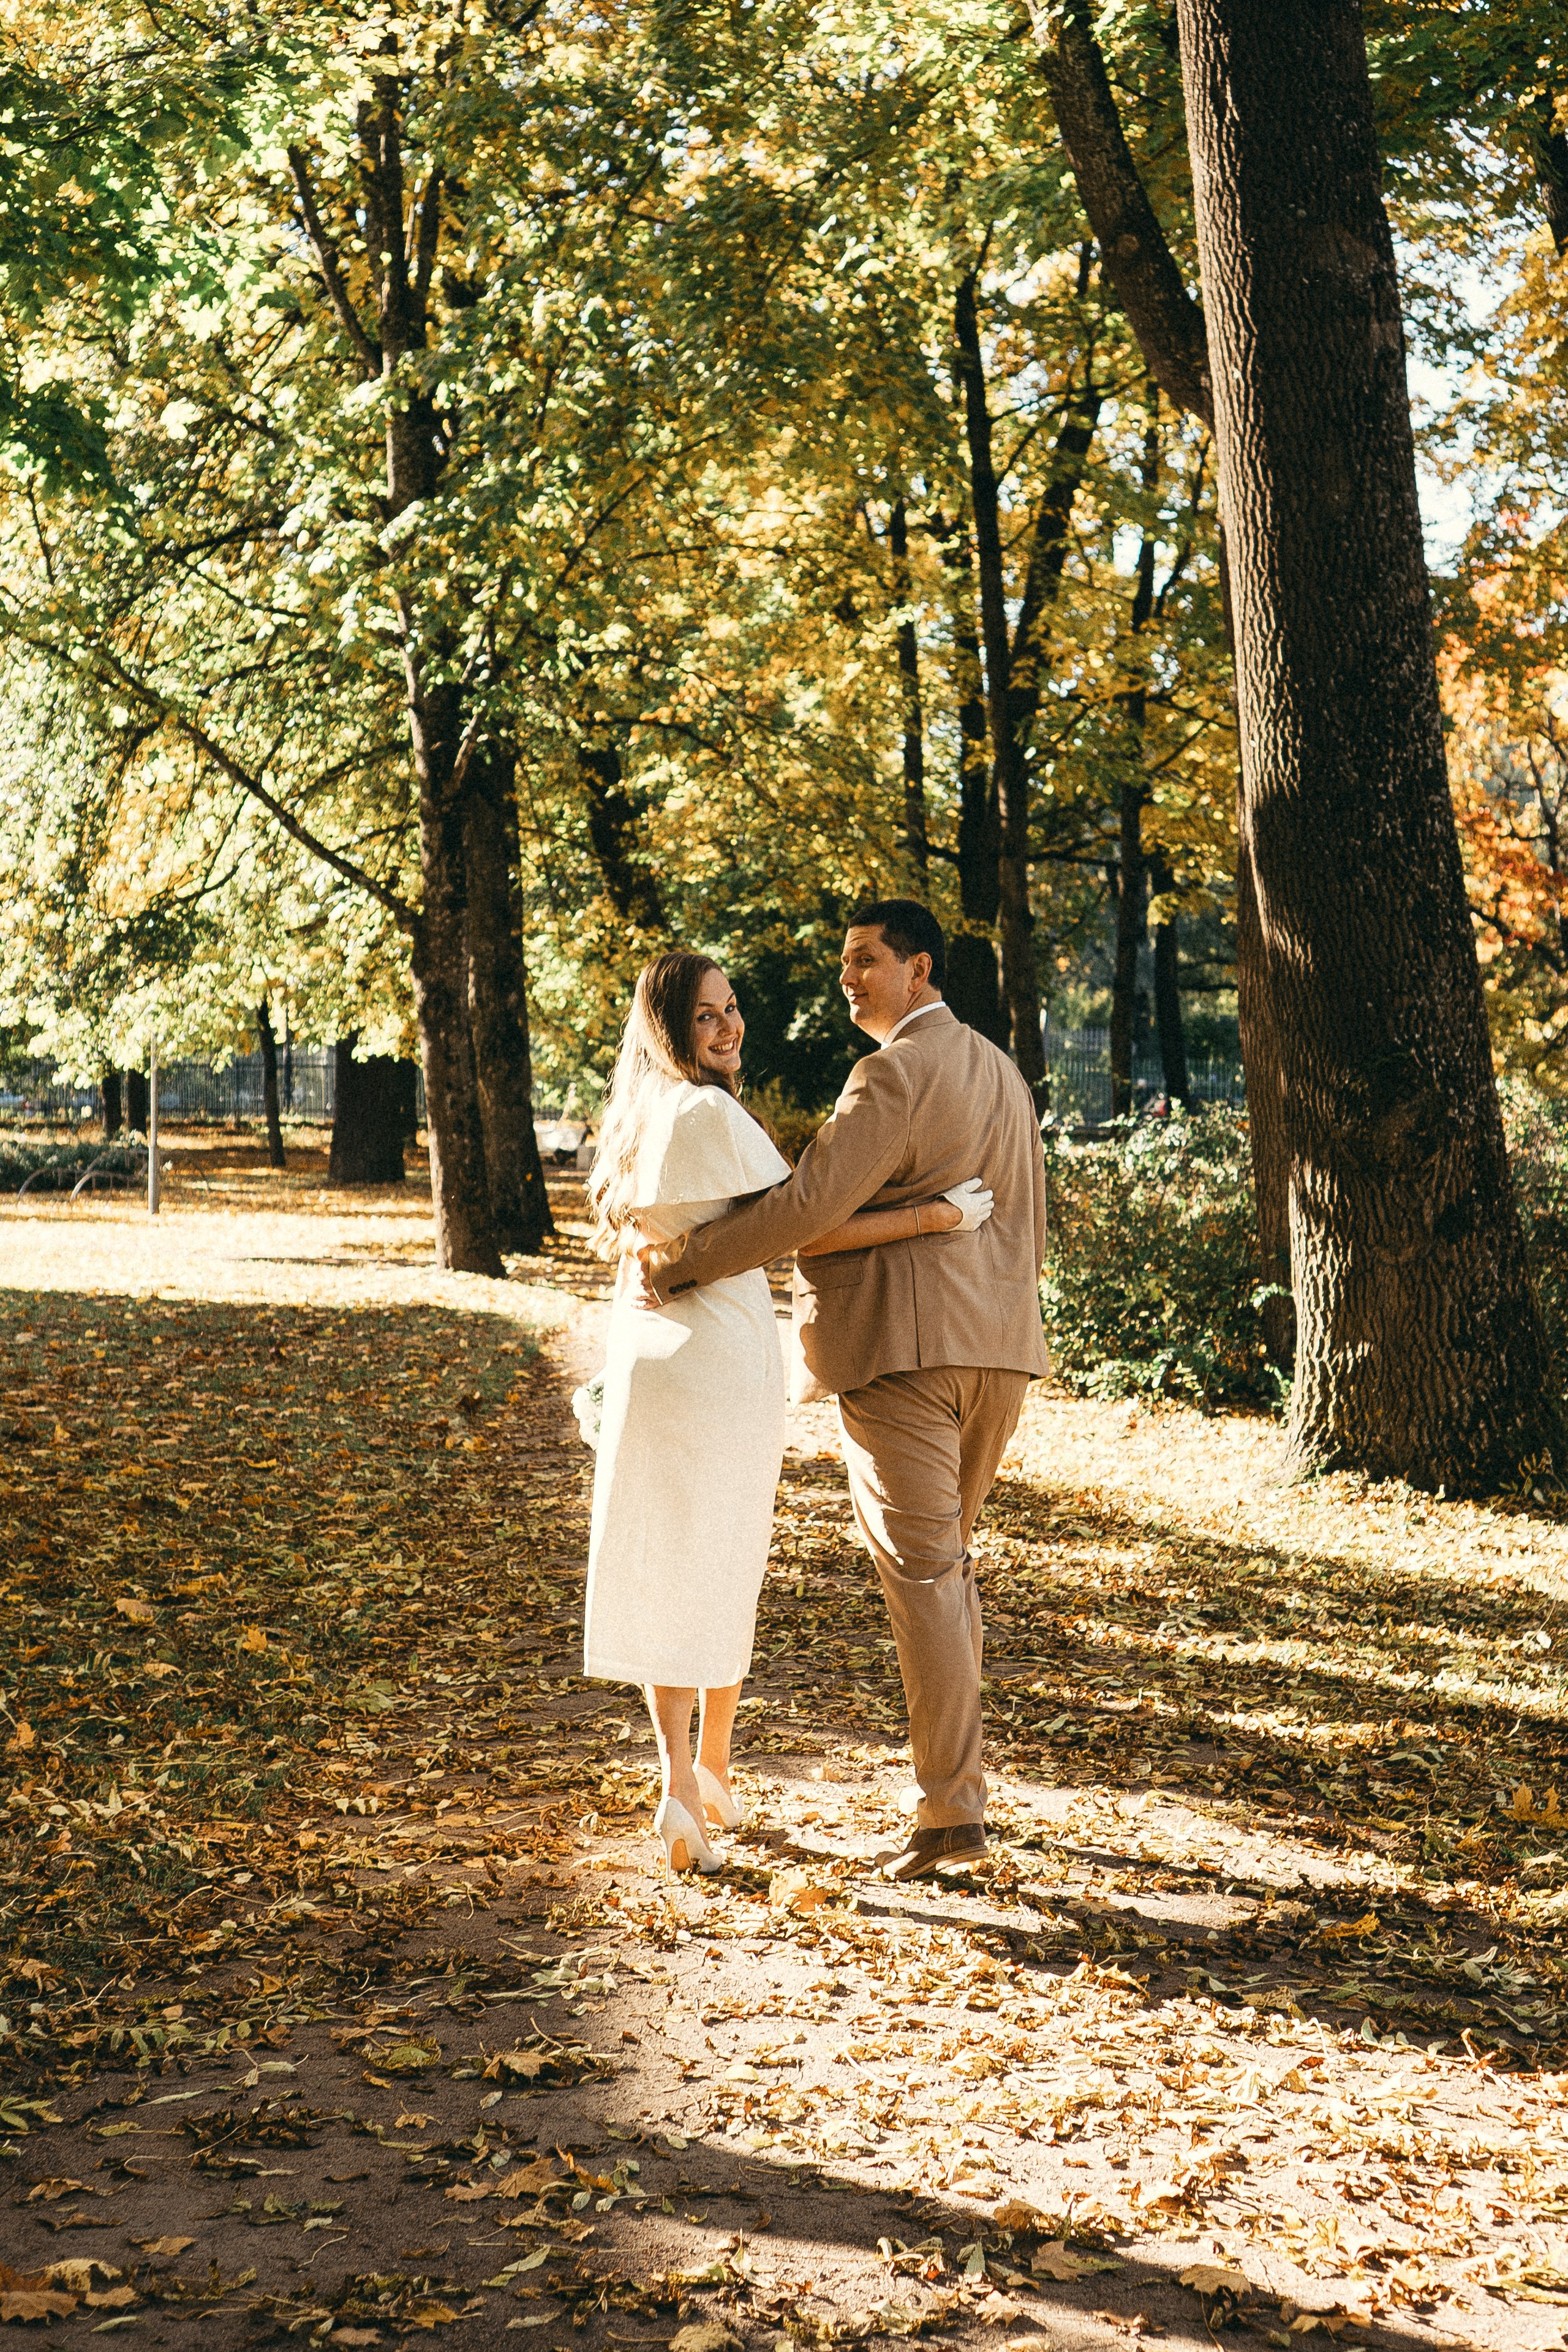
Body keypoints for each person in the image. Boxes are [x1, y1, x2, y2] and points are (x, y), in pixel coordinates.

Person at [637, 903, 1049, 1882]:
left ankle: (951, 1819)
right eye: (843, 964)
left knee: (925, 1582)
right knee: (945, 1577)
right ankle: (958, 1797)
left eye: (866, 961)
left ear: (921, 970)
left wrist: (689, 1263)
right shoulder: (1002, 1071)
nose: (849, 979)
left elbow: (808, 1208)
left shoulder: (893, 1071)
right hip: (999, 1352)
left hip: (905, 1358)